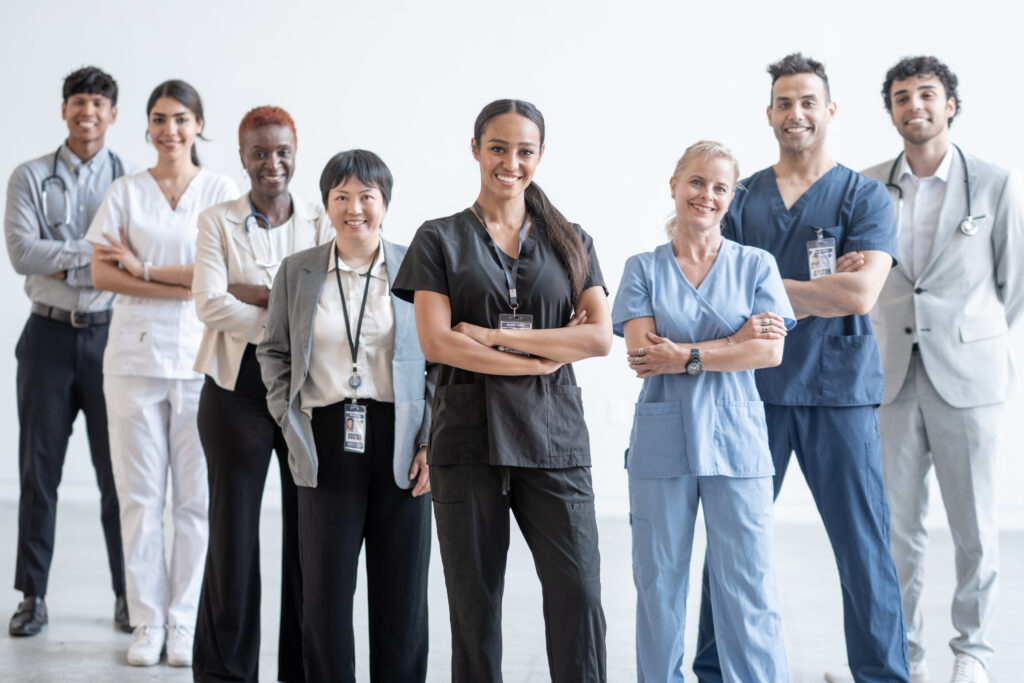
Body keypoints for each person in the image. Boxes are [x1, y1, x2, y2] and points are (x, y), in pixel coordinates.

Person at [690, 53, 911, 683]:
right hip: (752, 391)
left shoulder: (864, 196)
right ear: (769, 114)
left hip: (839, 393)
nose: (796, 114)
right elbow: (708, 287)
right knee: (732, 544)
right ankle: (715, 670)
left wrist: (757, 285)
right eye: (785, 103)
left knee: (863, 548)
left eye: (808, 101)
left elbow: (858, 296)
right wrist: (809, 289)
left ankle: (882, 676)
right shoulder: (744, 196)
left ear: (830, 110)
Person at [392, 98, 611, 683]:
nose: (510, 162)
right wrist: (540, 360)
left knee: (580, 596)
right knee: (475, 609)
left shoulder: (573, 239)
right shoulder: (437, 238)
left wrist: (491, 339)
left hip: (554, 440)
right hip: (467, 444)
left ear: (540, 156)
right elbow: (438, 344)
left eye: (524, 150)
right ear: (475, 150)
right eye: (498, 148)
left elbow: (597, 338)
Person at [859, 56, 1024, 683]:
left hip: (969, 377)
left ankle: (973, 652)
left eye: (926, 94)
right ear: (893, 111)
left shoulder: (996, 183)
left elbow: (1015, 283)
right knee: (896, 529)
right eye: (901, 97)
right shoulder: (869, 186)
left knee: (975, 525)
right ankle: (906, 655)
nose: (914, 106)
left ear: (950, 104)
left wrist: (968, 333)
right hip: (892, 377)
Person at [613, 141, 793, 683]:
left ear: (731, 197)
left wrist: (687, 355)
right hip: (662, 445)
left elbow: (770, 351)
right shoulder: (642, 267)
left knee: (749, 586)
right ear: (674, 184)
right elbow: (645, 358)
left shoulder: (756, 265)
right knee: (659, 586)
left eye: (720, 187)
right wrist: (731, 342)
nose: (706, 196)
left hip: (736, 443)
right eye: (696, 182)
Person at [257, 149, 434, 683]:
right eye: (341, 197)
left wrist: (431, 443)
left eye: (366, 197)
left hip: (400, 438)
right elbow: (275, 352)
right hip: (325, 438)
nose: (354, 208)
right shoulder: (299, 271)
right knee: (326, 594)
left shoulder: (418, 268)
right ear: (327, 203)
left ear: (386, 203)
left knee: (401, 594)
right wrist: (290, 424)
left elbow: (440, 364)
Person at [85, 79, 239, 667]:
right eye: (158, 119)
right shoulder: (125, 191)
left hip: (204, 362)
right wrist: (183, 279)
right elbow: (102, 276)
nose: (169, 130)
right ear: (146, 126)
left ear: (198, 124)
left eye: (180, 118)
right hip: (132, 362)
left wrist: (144, 268)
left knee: (196, 502)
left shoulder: (221, 191)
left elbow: (219, 276)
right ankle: (146, 621)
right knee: (140, 499)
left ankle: (183, 620)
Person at [191, 106, 333, 683]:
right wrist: (285, 307)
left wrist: (253, 296)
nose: (271, 163)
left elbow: (329, 302)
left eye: (281, 151)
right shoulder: (216, 221)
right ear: (243, 155)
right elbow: (208, 303)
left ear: (295, 152)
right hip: (235, 396)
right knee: (232, 538)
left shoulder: (324, 220)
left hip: (303, 395)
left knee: (308, 537)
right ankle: (227, 672)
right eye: (258, 152)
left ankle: (300, 671)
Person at [4, 66, 135, 637]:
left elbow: (137, 255)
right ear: (64, 110)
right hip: (48, 338)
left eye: (99, 103)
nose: (88, 112)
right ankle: (32, 595)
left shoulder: (131, 181)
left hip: (113, 336)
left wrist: (72, 256)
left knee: (121, 479)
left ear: (112, 115)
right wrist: (95, 256)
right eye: (79, 102)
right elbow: (22, 253)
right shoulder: (29, 176)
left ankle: (129, 595)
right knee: (38, 474)